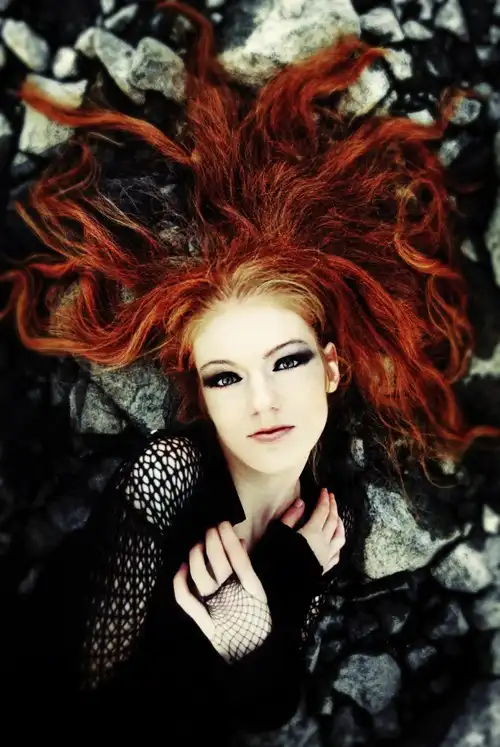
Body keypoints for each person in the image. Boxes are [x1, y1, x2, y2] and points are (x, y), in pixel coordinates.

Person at [1, 0, 500, 742]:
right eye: (225, 377)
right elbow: (86, 708)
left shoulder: (320, 521)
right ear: (201, 395)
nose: (262, 401)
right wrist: (270, 597)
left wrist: (268, 607)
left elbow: (270, 709)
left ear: (331, 368)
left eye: (287, 360)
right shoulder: (169, 477)